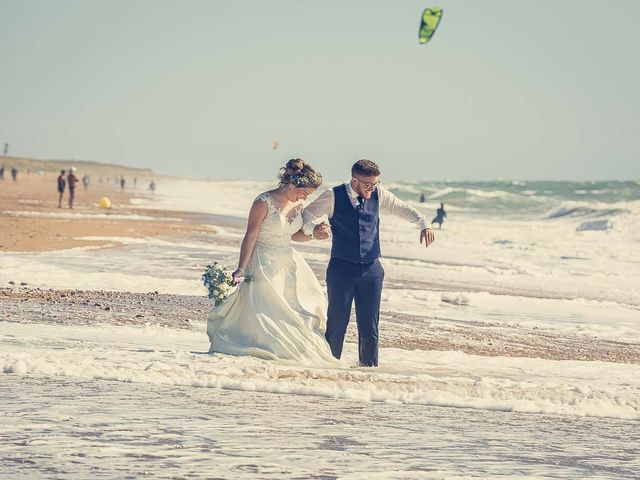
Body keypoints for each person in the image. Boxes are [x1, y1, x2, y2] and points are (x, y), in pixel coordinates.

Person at [302, 159, 435, 367]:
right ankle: (328, 369)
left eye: (375, 184)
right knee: (337, 325)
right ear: (355, 181)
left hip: (372, 269)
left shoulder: (379, 194)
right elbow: (306, 215)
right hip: (341, 269)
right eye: (368, 185)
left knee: (370, 328)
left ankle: (368, 371)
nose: (372, 189)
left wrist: (423, 223)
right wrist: (314, 229)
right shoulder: (333, 195)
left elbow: (402, 208)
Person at [207, 159, 337, 364]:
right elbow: (250, 236)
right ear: (292, 185)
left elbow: (293, 235)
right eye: (305, 192)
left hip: (288, 261)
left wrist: (314, 235)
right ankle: (265, 347)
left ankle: (289, 349)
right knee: (268, 307)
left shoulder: (298, 203)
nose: (305, 197)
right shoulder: (263, 201)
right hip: (263, 262)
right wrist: (241, 268)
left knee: (296, 307)